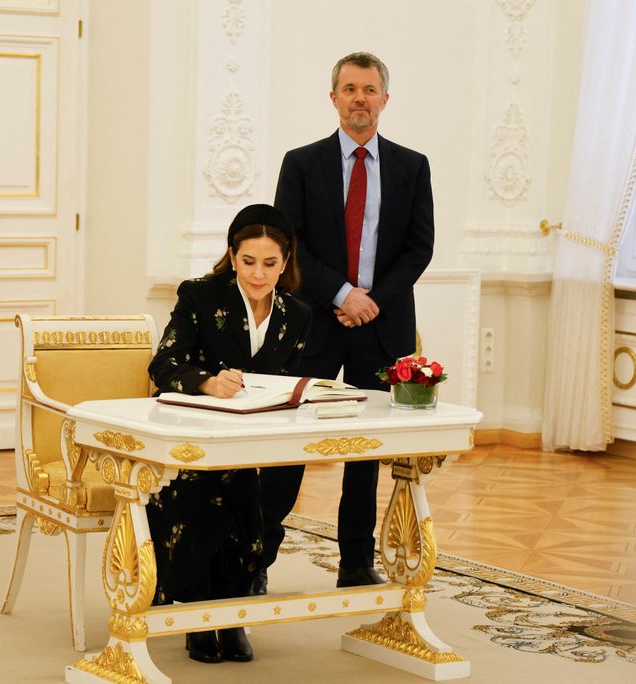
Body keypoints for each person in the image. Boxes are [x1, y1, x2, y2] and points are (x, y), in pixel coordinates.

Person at [260, 51, 435, 590]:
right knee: (289, 441)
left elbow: (419, 247)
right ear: (333, 97)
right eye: (350, 89)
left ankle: (356, 563)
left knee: (367, 449)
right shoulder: (302, 162)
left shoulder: (412, 165)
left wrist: (368, 299)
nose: (360, 98)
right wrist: (340, 293)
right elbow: (288, 244)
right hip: (315, 320)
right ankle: (254, 559)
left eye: (370, 89)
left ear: (385, 99)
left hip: (381, 325)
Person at [147, 203, 310, 664]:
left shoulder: (297, 314)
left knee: (268, 487)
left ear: (286, 261)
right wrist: (208, 383)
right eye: (248, 262)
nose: (258, 274)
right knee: (213, 485)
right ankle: (199, 613)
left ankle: (234, 612)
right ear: (232, 256)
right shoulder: (200, 295)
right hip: (196, 436)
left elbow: (288, 380)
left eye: (270, 264)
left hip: (262, 437)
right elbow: (163, 365)